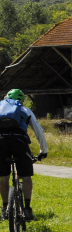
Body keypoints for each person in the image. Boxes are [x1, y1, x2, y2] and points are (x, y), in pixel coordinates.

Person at [0, 89, 48, 221]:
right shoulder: (25, 110)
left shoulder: (0, 108)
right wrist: (43, 151)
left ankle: (5, 209)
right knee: (26, 176)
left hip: (1, 142)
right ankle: (27, 209)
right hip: (19, 142)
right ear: (21, 100)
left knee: (3, 177)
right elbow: (39, 131)